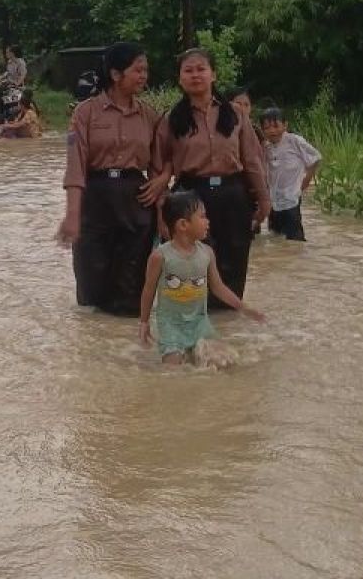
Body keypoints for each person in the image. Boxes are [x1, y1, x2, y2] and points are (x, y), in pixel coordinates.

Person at [57, 43, 166, 315]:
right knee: (92, 290)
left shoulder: (149, 115)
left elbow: (161, 162)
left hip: (137, 203)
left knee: (132, 290)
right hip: (95, 203)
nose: (144, 76)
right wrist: (72, 215)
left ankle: (126, 350)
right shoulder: (85, 113)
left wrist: (162, 184)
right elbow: (76, 167)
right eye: (137, 70)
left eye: (146, 70)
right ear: (116, 75)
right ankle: (95, 351)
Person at [156, 49, 270, 307]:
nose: (195, 75)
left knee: (234, 262)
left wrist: (263, 199)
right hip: (190, 197)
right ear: (180, 78)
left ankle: (229, 331)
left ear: (213, 74)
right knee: (191, 268)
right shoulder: (170, 120)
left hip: (233, 194)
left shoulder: (235, 114)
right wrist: (161, 212)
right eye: (188, 70)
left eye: (201, 69)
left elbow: (252, 160)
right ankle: (193, 330)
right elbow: (160, 168)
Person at [139, 191, 266, 365]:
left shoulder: (206, 253)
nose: (208, 222)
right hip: (171, 325)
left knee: (223, 362)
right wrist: (144, 322)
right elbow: (148, 290)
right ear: (183, 224)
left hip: (200, 322)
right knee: (173, 369)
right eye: (202, 217)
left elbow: (218, 287)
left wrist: (245, 308)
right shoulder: (160, 256)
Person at [260, 107, 322, 241]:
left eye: (276, 126)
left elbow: (316, 157)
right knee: (274, 237)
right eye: (267, 127)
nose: (272, 131)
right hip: (273, 201)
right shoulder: (265, 147)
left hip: (292, 198)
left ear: (285, 125)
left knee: (295, 240)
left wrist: (305, 181)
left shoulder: (294, 141)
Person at [226, 86, 266, 234]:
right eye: (238, 104)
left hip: (252, 188)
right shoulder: (224, 127)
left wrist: (263, 190)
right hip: (232, 186)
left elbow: (260, 161)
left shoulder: (257, 132)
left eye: (246, 105)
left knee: (252, 234)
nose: (242, 108)